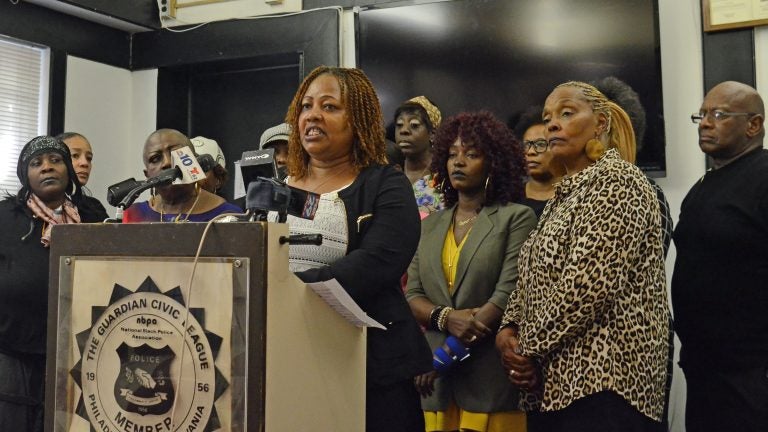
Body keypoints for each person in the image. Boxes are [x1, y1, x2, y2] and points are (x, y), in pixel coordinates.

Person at [496, 81, 669, 432]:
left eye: (567, 113)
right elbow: (532, 273)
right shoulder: (566, 193)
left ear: (601, 123)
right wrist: (508, 328)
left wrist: (525, 349)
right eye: (548, 118)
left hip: (606, 383)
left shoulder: (619, 182)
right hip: (557, 382)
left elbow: (585, 289)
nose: (552, 125)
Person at [282, 66, 432, 432]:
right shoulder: (272, 187)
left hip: (372, 365)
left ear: (358, 120)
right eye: (306, 106)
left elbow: (378, 262)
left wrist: (285, 292)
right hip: (288, 358)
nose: (313, 115)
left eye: (330, 107)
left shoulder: (386, 184)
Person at [406, 111, 536, 432]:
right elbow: (413, 294)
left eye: (471, 154)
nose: (458, 162)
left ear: (494, 162)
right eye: (451, 155)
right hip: (435, 388)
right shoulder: (430, 224)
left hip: (488, 382)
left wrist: (443, 359)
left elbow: (507, 295)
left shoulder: (516, 218)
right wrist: (445, 318)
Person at [672, 81, 768, 432]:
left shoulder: (764, 177)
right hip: (702, 370)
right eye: (702, 114)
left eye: (719, 114)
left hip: (751, 376)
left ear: (753, 125)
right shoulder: (703, 186)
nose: (705, 122)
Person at [0, 136, 105, 431]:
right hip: (12, 353)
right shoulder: (5, 216)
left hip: (77, 349)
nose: (47, 168)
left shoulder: (93, 215)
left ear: (68, 170)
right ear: (26, 175)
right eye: (36, 163)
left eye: (56, 160)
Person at [122, 129, 242, 222]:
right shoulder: (134, 213)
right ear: (147, 175)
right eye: (155, 158)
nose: (167, 162)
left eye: (175, 152)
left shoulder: (227, 215)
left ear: (194, 161)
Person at [394, 96, 444, 214]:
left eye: (414, 125)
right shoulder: (390, 176)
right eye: (399, 125)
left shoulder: (445, 178)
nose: (404, 131)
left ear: (432, 134)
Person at [513, 106, 564, 218]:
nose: (530, 152)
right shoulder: (511, 198)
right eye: (526, 145)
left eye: (540, 144)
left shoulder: (573, 196)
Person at [57, 132, 109, 221]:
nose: (85, 163)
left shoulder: (95, 207)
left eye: (89, 158)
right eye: (75, 155)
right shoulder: (36, 205)